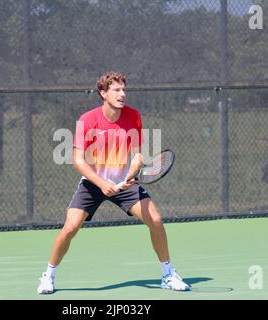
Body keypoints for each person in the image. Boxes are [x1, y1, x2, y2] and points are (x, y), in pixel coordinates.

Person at [37, 72, 190, 294]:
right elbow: (78, 161)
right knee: (70, 228)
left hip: (123, 184)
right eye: (116, 90)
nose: (122, 94)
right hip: (92, 183)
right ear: (103, 93)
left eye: (124, 90)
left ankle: (167, 274)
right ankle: (48, 276)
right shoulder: (87, 120)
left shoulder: (133, 116)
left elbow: (138, 155)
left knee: (155, 219)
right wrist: (101, 184)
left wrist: (129, 175)